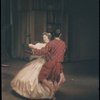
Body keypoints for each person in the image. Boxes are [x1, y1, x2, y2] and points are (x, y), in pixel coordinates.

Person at [11, 32, 54, 99]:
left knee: (39, 77)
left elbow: (44, 52)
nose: (44, 38)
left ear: (48, 38)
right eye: (43, 37)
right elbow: (38, 51)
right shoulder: (42, 44)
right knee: (27, 75)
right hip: (40, 60)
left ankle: (49, 90)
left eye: (45, 37)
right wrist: (32, 47)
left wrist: (33, 47)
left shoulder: (50, 45)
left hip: (45, 62)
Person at [29, 30, 66, 99]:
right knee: (54, 80)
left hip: (51, 63)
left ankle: (52, 90)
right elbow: (62, 52)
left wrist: (34, 49)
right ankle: (53, 95)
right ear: (60, 35)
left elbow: (43, 51)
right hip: (59, 64)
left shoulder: (51, 43)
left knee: (41, 77)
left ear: (53, 35)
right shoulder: (63, 43)